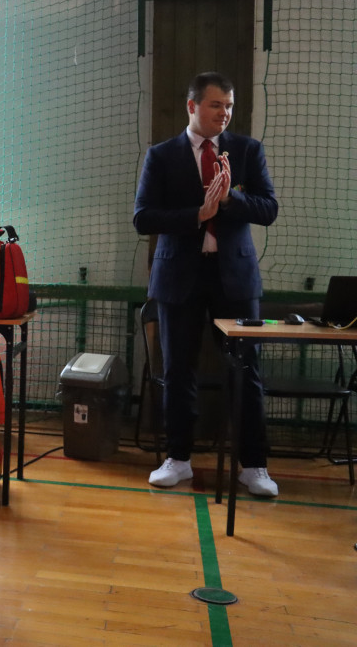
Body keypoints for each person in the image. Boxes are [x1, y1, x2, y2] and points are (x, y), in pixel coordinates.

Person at [133, 71, 279, 497]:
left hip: (235, 279)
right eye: (217, 105)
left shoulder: (247, 151)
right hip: (179, 276)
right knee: (178, 371)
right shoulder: (161, 156)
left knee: (247, 373)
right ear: (192, 106)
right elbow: (143, 217)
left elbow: (269, 208)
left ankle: (253, 466)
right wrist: (197, 214)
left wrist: (230, 198)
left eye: (229, 107)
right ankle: (178, 460)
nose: (225, 113)